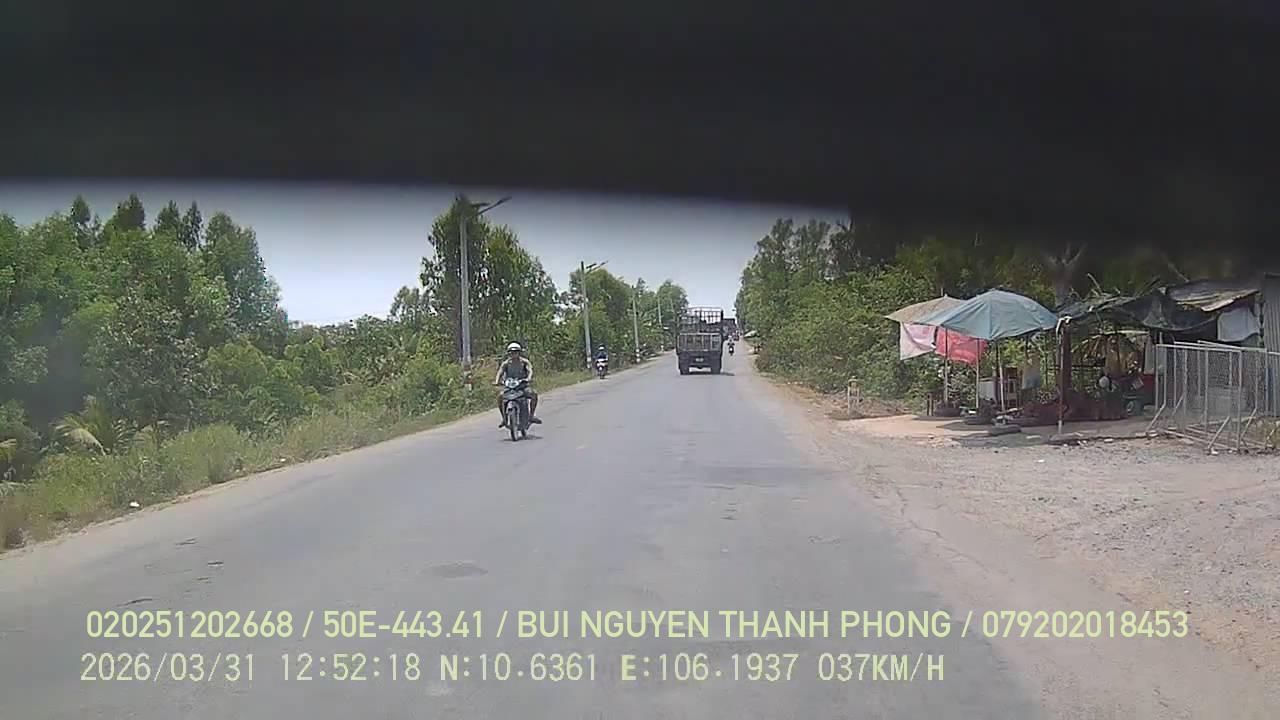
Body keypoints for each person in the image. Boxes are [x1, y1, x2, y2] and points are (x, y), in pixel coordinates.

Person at [496, 342, 541, 427]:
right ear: (509, 353)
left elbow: (530, 370)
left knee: (533, 394)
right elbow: (500, 372)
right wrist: (497, 381)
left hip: (522, 386)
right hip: (509, 387)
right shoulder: (506, 363)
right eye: (511, 352)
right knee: (500, 397)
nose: (513, 354)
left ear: (519, 352)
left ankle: (531, 416)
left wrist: (529, 378)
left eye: (515, 352)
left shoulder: (524, 362)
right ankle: (504, 419)